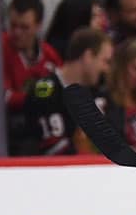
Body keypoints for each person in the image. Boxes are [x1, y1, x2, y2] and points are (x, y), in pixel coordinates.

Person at [16, 26, 111, 155]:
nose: (106, 69)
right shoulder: (45, 91)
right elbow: (53, 149)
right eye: (105, 61)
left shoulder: (97, 92)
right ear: (88, 56)